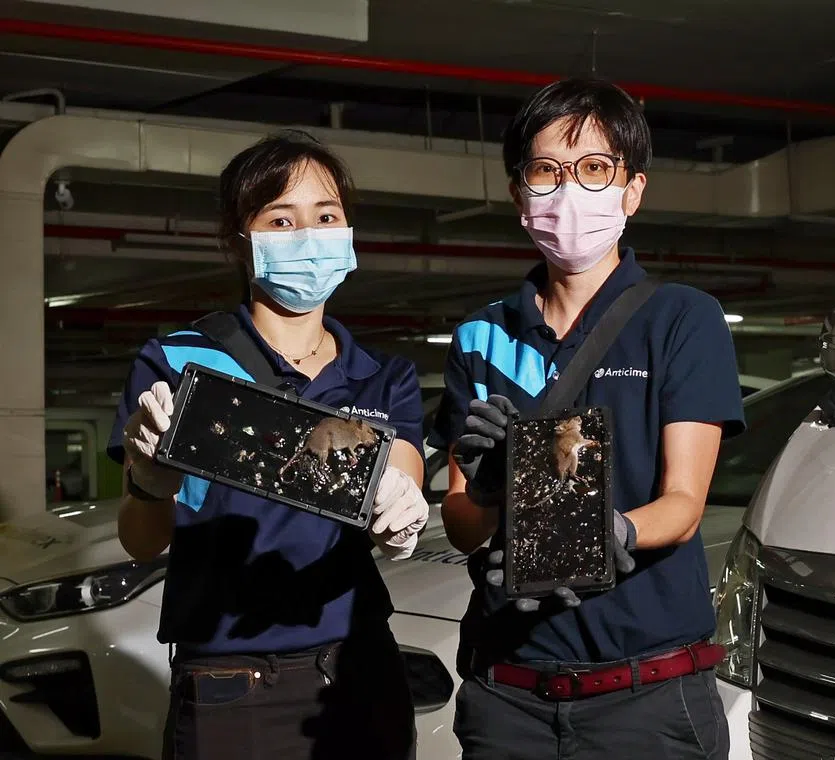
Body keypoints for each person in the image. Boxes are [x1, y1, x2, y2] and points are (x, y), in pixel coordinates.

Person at [427, 77, 745, 760]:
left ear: (632, 190)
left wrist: (619, 530)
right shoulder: (479, 338)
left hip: (646, 701)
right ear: (520, 195)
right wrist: (485, 492)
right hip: (507, 696)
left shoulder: (682, 319)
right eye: (547, 170)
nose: (570, 190)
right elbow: (461, 523)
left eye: (595, 169)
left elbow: (685, 504)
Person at [106, 130, 428, 760]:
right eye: (281, 218)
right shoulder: (179, 361)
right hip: (232, 683)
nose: (309, 234)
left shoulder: (383, 375)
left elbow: (405, 472)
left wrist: (402, 505)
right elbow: (141, 539)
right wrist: (149, 482)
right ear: (240, 240)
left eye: (326, 215)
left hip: (362, 669)